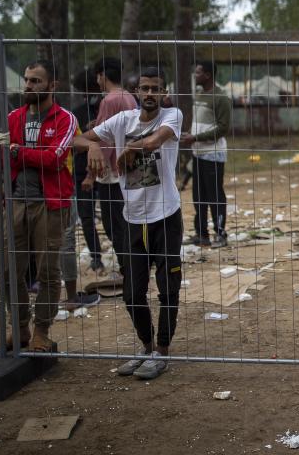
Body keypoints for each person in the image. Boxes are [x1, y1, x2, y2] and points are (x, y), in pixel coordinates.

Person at [75, 67, 184, 380]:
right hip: (133, 219)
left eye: (155, 89)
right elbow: (77, 138)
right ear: (137, 92)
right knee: (132, 293)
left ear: (164, 93)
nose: (149, 94)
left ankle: (162, 352)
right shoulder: (123, 120)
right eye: (144, 88)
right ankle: (147, 347)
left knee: (168, 288)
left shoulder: (172, 115)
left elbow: (156, 141)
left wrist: (130, 149)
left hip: (166, 217)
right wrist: (95, 146)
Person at [0, 60, 78, 353]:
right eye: (27, 80)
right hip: (15, 202)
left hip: (50, 204)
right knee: (7, 269)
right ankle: (19, 328)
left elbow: (55, 159)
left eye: (36, 81)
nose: (28, 85)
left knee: (47, 271)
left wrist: (18, 151)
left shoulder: (64, 118)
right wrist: (20, 153)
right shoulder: (13, 117)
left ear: (52, 86)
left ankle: (42, 330)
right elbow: (3, 158)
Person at [91, 57, 138, 260]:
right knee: (124, 220)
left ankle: (126, 266)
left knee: (113, 225)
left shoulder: (109, 100)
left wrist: (92, 172)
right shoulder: (128, 96)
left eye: (98, 76)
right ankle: (130, 264)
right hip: (128, 165)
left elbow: (104, 139)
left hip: (111, 171)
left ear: (103, 75)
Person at [181, 61, 231, 248]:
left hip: (213, 154)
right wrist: (192, 136)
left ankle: (220, 233)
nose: (195, 75)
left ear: (208, 75)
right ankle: (202, 234)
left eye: (199, 72)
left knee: (215, 195)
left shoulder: (221, 98)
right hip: (198, 153)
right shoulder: (201, 95)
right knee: (199, 195)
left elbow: (223, 128)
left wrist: (196, 137)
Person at [69, 67, 104, 274]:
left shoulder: (106, 107)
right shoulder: (77, 113)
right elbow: (73, 142)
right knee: (87, 216)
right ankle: (96, 257)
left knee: (110, 217)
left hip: (106, 170)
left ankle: (117, 254)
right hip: (83, 170)